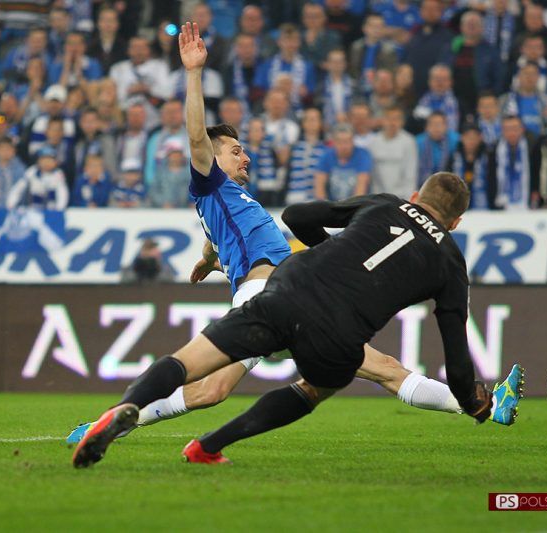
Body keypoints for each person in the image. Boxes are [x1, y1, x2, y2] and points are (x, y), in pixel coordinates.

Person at [68, 23, 523, 455]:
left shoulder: (229, 203)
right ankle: (113, 421)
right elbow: (196, 137)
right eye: (235, 150)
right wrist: (194, 73)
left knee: (384, 369)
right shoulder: (210, 184)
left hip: (293, 298)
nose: (244, 157)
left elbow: (221, 240)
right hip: (272, 296)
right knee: (210, 388)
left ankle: (486, 404)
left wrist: (210, 259)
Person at [368, 106, 418, 198]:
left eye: (396, 119)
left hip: (402, 197)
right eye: (388, 118)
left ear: (402, 122)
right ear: (382, 120)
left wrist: (408, 200)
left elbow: (410, 175)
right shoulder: (373, 142)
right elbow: (372, 176)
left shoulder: (409, 141)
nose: (392, 123)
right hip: (378, 196)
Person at [314, 123, 372, 200]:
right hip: (332, 204)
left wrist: (353, 206)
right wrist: (323, 204)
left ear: (353, 141)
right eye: (340, 142)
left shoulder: (363, 155)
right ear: (334, 142)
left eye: (347, 141)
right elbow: (319, 187)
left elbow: (361, 187)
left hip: (357, 204)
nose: (344, 146)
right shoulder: (326, 156)